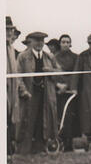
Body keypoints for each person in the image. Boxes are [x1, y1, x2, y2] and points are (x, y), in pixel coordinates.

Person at [16, 32, 60, 155]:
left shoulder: (49, 57)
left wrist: (50, 71)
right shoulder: (23, 57)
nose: (39, 43)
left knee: (44, 121)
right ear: (31, 42)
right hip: (29, 95)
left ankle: (40, 148)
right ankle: (24, 150)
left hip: (46, 95)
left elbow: (59, 73)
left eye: (42, 40)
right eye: (36, 40)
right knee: (27, 121)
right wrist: (23, 90)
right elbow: (18, 76)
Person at [54, 34, 79, 151]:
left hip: (70, 92)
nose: (65, 44)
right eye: (63, 42)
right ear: (60, 44)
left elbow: (75, 73)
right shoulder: (54, 57)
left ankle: (69, 144)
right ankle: (59, 142)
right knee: (59, 117)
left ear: (70, 44)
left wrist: (68, 85)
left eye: (67, 42)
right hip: (58, 92)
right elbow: (52, 74)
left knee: (69, 117)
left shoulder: (75, 57)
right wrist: (58, 85)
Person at [6, 17, 25, 156]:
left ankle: (8, 152)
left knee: (10, 120)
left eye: (10, 30)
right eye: (6, 29)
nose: (9, 32)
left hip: (11, 91)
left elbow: (15, 72)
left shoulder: (11, 49)